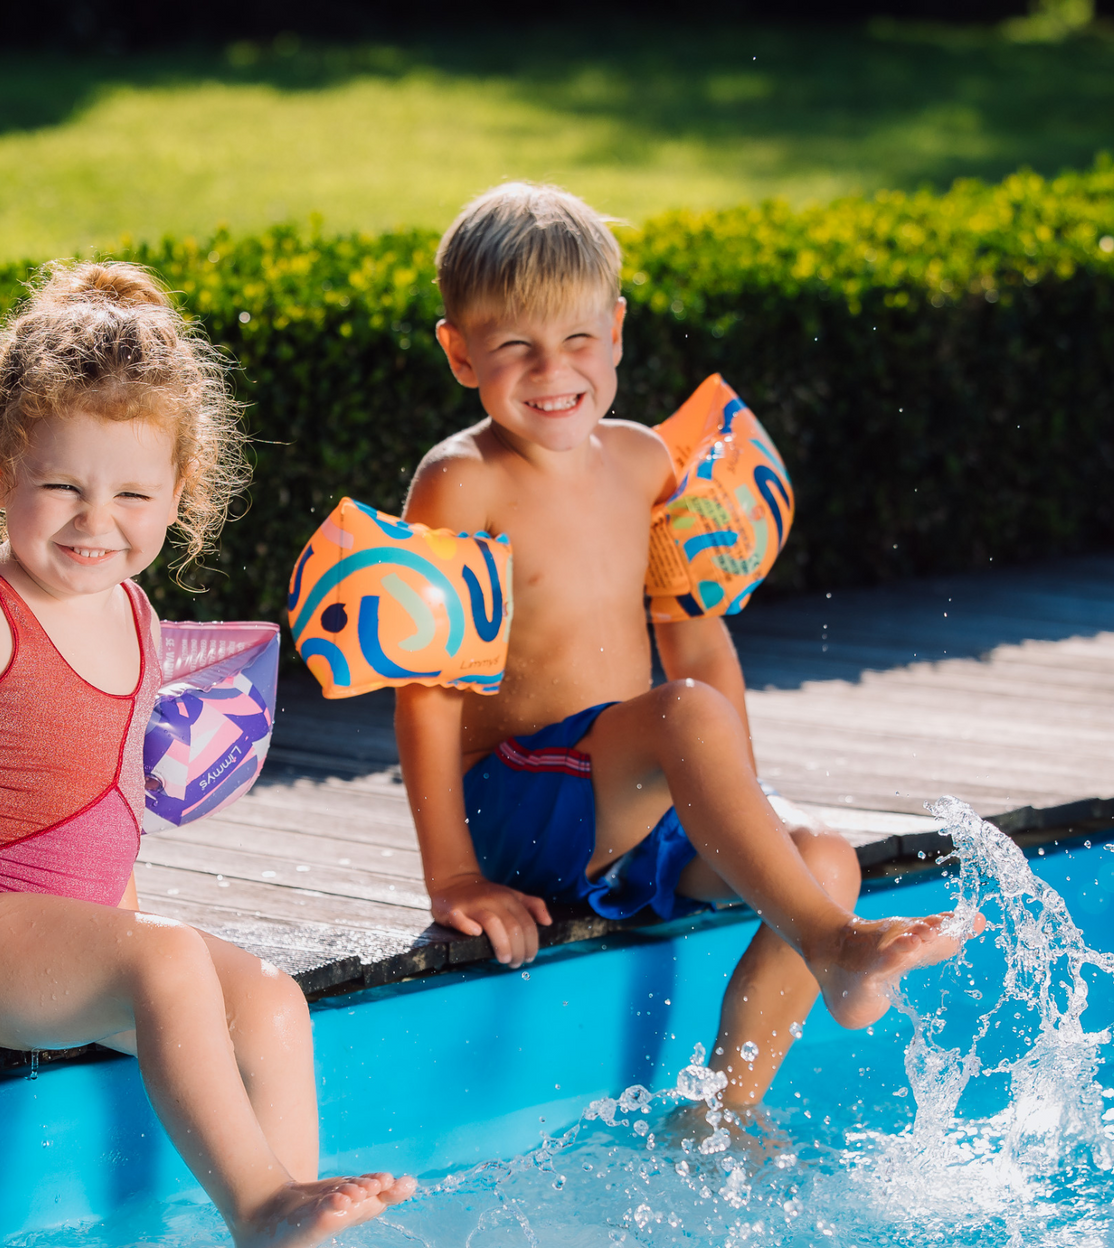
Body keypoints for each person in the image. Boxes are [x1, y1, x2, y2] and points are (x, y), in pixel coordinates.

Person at [0, 261, 413, 1248]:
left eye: (133, 494)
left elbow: (105, 802)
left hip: (58, 943)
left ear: (179, 493)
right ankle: (259, 1209)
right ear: (0, 472)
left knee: (273, 1004)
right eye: (63, 487)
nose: (96, 522)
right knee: (169, 961)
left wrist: (121, 926)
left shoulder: (135, 614)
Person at [394, 183, 976, 1110]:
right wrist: (454, 876)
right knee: (687, 718)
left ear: (617, 331)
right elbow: (425, 693)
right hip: (522, 803)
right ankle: (836, 947)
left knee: (823, 861)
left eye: (578, 339)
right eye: (515, 348)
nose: (554, 370)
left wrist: (738, 805)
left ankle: (726, 1115)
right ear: (460, 352)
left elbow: (698, 645)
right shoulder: (460, 482)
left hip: (629, 800)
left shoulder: (644, 463)